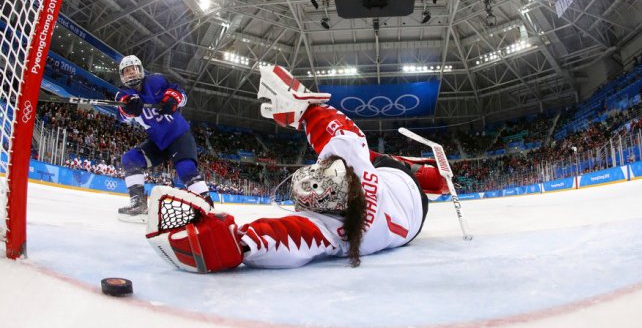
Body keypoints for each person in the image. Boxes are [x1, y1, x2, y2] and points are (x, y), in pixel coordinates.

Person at [145, 64, 449, 271]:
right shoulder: (354, 177)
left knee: (370, 158)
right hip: (396, 182)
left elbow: (283, 237)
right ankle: (420, 172)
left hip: (407, 216)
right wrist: (306, 110)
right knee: (373, 158)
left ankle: (420, 174)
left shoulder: (332, 232)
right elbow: (344, 136)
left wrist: (234, 243)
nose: (314, 176)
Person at [115, 55, 212, 222]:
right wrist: (128, 108)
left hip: (178, 136)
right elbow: (122, 116)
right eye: (127, 71)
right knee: (130, 159)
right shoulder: (123, 95)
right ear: (122, 76)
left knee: (185, 169)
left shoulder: (156, 81)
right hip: (158, 143)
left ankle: (207, 208)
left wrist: (173, 99)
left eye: (134, 69)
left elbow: (181, 95)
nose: (131, 74)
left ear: (141, 70)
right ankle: (138, 203)